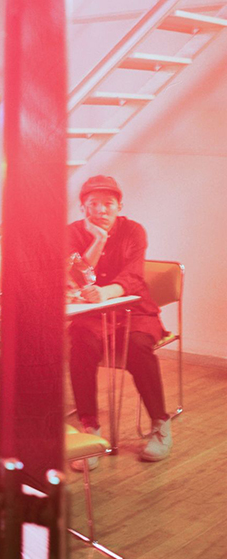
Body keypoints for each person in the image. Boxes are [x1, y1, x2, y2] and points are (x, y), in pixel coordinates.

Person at [68, 175, 172, 469]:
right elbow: (75, 276)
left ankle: (160, 424)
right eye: (93, 204)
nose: (101, 210)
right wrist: (99, 239)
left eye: (108, 204)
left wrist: (105, 292)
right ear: (83, 207)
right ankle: (90, 429)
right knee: (80, 345)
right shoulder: (72, 232)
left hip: (134, 310)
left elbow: (134, 276)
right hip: (91, 313)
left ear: (119, 206)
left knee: (137, 346)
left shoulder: (133, 231)